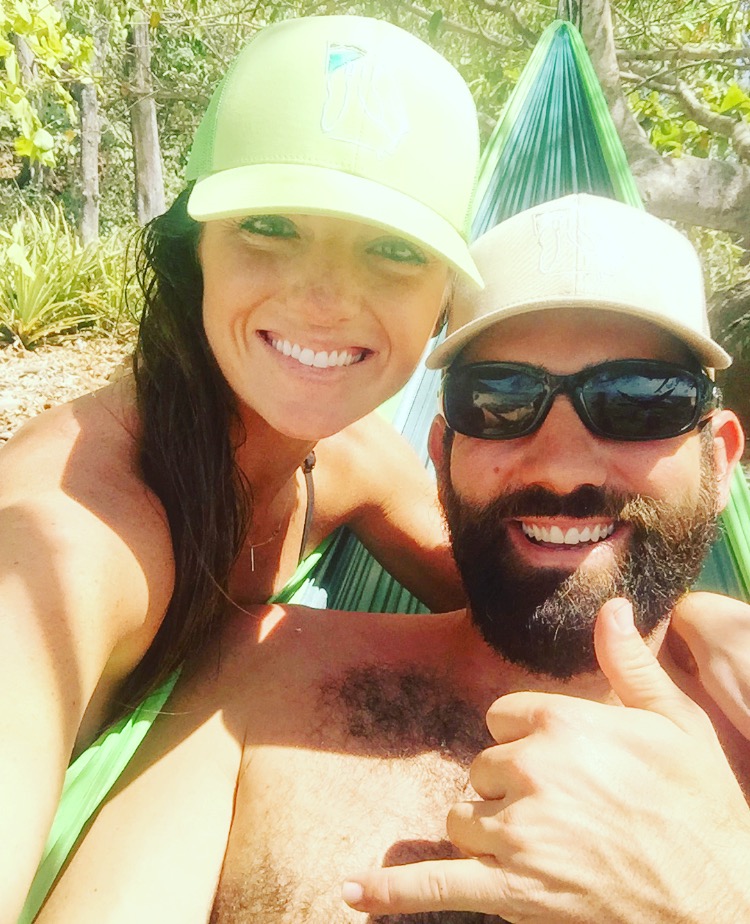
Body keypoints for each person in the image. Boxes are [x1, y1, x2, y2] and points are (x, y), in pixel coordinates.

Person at [33, 195, 750, 923]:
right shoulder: (260, 680)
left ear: (720, 461)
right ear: (440, 458)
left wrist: (713, 897)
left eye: (639, 401)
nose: (562, 467)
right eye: (499, 400)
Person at [0, 16, 483, 922]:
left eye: (392, 249)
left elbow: (511, 597)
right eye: (269, 226)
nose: (323, 297)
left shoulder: (340, 456)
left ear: (446, 303)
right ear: (194, 247)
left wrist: (698, 628)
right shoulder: (72, 541)